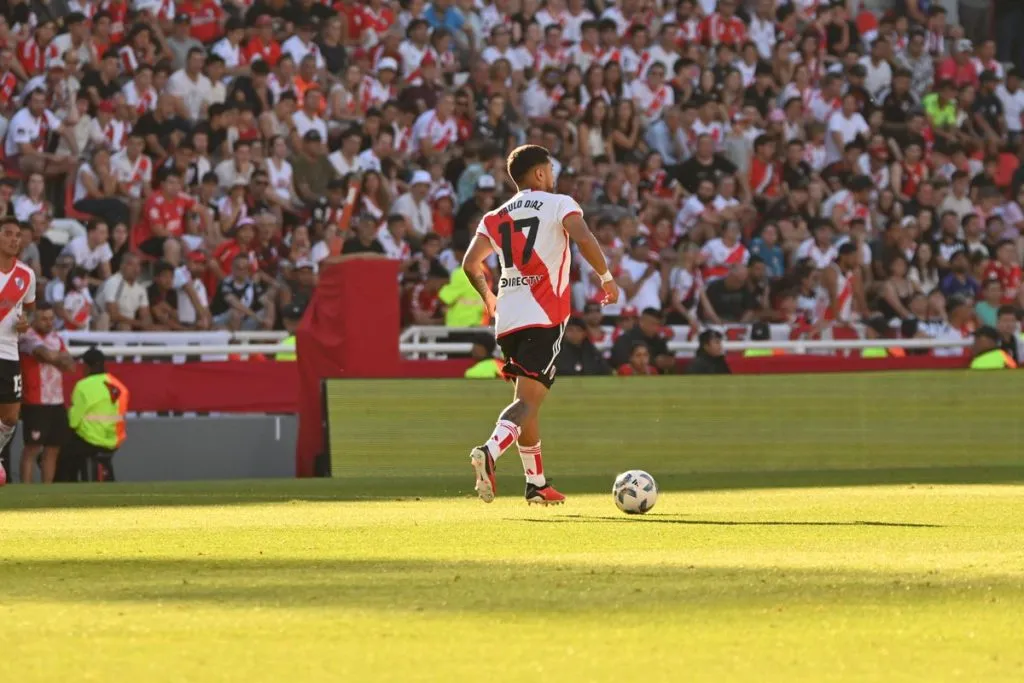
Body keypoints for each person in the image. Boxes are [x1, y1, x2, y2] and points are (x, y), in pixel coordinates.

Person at [461, 144, 619, 506]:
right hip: (544, 314)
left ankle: (536, 484)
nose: (554, 174)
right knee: (528, 402)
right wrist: (606, 276)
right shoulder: (560, 203)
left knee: (526, 400)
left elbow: (471, 263)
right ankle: (489, 451)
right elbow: (582, 237)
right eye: (550, 168)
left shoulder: (494, 216)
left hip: (508, 319)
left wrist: (488, 298)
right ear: (539, 174)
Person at [17, 303, 73, 483]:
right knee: (32, 449)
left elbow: (70, 365)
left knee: (53, 448)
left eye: (51, 319)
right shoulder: (27, 337)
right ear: (34, 319)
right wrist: (57, 358)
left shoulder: (56, 338)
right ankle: (26, 491)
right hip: (35, 400)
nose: (49, 323)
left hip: (56, 400)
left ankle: (46, 491)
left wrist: (52, 357)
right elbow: (49, 356)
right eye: (44, 319)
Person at [0, 217, 36, 486]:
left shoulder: (26, 275)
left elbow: (29, 311)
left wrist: (25, 323)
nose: (14, 239)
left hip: (10, 351)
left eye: (17, 235)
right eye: (8, 234)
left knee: (11, 418)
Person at [60, 348, 129, 482]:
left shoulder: (83, 386)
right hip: (114, 441)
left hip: (89, 440)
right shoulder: (120, 386)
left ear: (87, 366)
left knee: (60, 454)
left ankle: (68, 487)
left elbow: (73, 422)